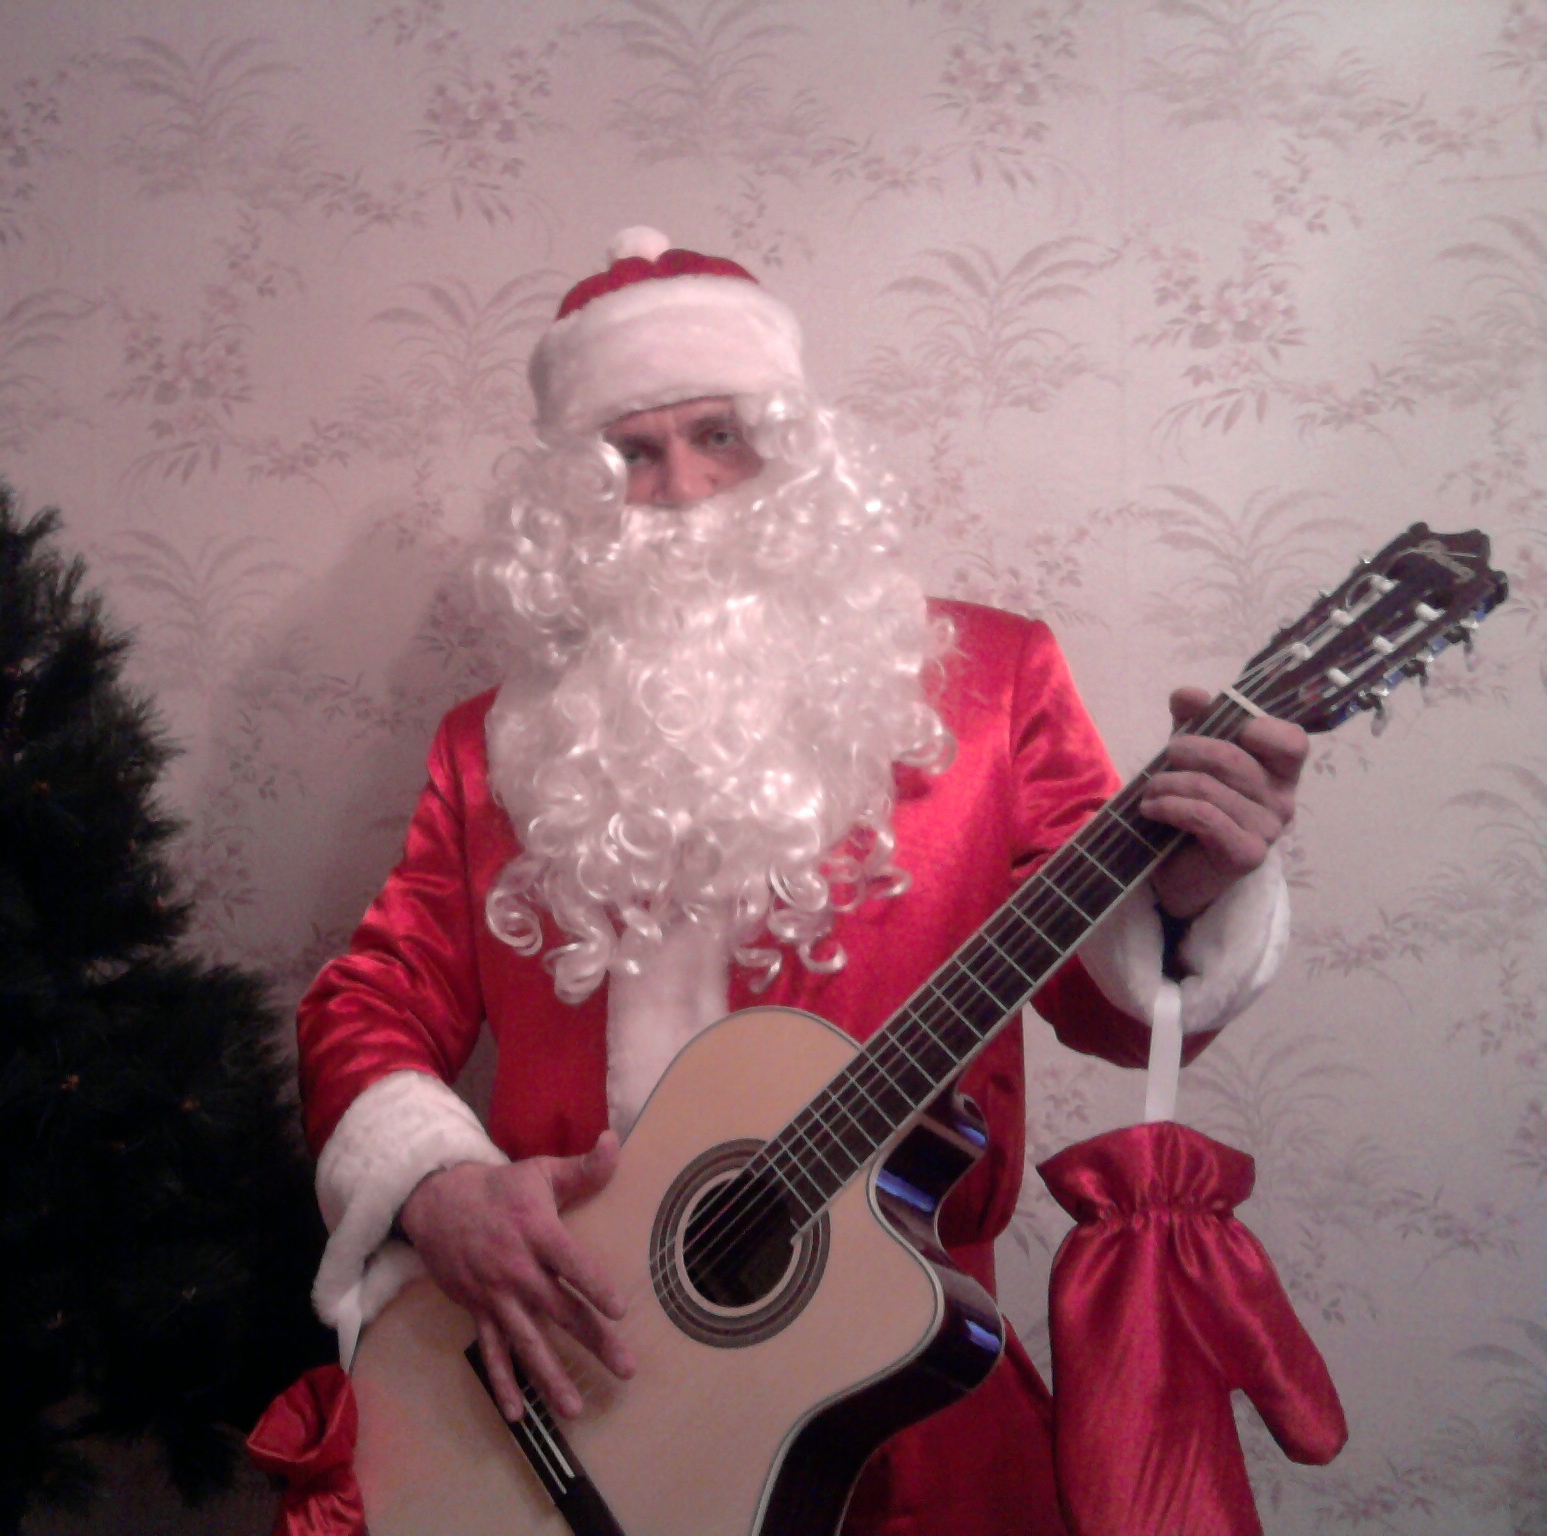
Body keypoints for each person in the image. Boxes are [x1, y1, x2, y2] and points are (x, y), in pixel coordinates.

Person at [294, 228, 1307, 1534]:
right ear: (571, 505)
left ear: (794, 454)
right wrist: (438, 1187)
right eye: (630, 454)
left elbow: (1108, 1010)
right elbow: (365, 1006)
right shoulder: (492, 747)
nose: (682, 490)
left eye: (719, 435)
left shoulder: (993, 690)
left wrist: (1190, 893)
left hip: (902, 1409)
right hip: (568, 1377)